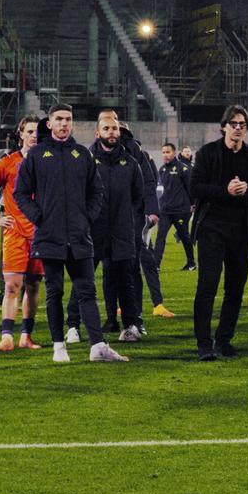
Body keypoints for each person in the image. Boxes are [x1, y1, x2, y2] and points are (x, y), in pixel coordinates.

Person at [14, 103, 127, 363]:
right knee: (54, 292)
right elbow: (20, 192)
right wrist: (40, 217)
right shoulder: (36, 155)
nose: (64, 123)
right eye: (59, 119)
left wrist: (86, 218)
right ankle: (59, 347)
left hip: (79, 236)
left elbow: (96, 191)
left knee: (87, 291)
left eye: (68, 119)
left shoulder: (82, 154)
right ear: (49, 124)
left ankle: (98, 346)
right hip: (50, 237)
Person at [190, 105, 248, 359]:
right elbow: (195, 188)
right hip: (211, 228)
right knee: (207, 286)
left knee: (234, 290)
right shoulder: (207, 153)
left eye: (242, 125)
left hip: (242, 231)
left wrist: (246, 191)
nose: (237, 128)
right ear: (223, 126)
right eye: (233, 124)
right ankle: (204, 343)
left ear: (246, 129)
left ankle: (223, 341)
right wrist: (226, 191)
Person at [0, 115, 44, 352]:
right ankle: (6, 337)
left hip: (40, 234)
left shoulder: (48, 162)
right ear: (21, 134)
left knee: (33, 286)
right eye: (30, 132)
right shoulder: (7, 163)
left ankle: (26, 336)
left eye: (37, 132)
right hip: (15, 233)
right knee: (12, 287)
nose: (34, 136)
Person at [90, 114, 146, 343]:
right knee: (86, 277)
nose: (111, 132)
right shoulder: (87, 159)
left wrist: (125, 216)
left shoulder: (130, 162)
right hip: (94, 229)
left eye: (114, 128)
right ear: (98, 132)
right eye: (106, 128)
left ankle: (131, 324)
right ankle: (75, 325)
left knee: (125, 277)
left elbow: (138, 195)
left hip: (122, 229)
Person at [155, 142, 195, 272]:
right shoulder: (162, 169)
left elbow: (190, 189)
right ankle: (156, 265)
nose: (165, 155)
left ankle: (191, 263)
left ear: (174, 153)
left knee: (184, 237)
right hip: (165, 211)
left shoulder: (183, 169)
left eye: (168, 152)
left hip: (180, 210)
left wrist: (193, 204)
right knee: (160, 237)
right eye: (163, 152)